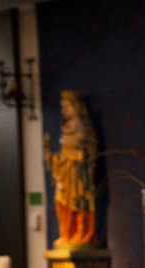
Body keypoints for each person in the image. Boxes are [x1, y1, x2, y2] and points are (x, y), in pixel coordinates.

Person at [43, 91, 98, 248]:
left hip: (78, 173)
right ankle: (67, 233)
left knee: (79, 201)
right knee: (62, 201)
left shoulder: (82, 127)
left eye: (67, 106)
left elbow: (87, 152)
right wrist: (52, 156)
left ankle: (81, 233)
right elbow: (65, 153)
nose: (64, 110)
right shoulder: (66, 128)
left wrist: (78, 157)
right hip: (67, 173)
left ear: (76, 107)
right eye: (62, 107)